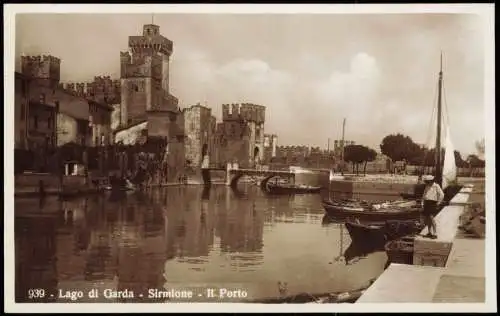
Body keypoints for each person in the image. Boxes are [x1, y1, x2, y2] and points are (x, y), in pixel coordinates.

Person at [421, 175, 445, 239]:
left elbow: (442, 194)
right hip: (427, 203)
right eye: (426, 182)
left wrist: (438, 203)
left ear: (431, 181)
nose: (427, 183)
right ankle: (429, 232)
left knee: (432, 218)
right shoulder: (427, 186)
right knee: (427, 219)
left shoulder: (436, 186)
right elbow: (424, 195)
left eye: (428, 182)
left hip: (432, 203)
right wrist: (422, 204)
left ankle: (435, 233)